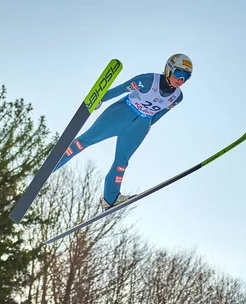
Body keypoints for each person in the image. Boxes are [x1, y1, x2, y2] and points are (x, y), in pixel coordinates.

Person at [54, 54, 192, 210]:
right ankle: (53, 163)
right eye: (179, 75)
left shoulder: (177, 97)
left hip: (140, 126)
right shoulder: (147, 80)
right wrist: (100, 98)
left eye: (186, 78)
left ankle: (110, 199)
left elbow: (160, 113)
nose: (181, 80)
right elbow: (121, 89)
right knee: (86, 140)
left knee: (122, 162)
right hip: (121, 114)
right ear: (169, 70)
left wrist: (146, 126)